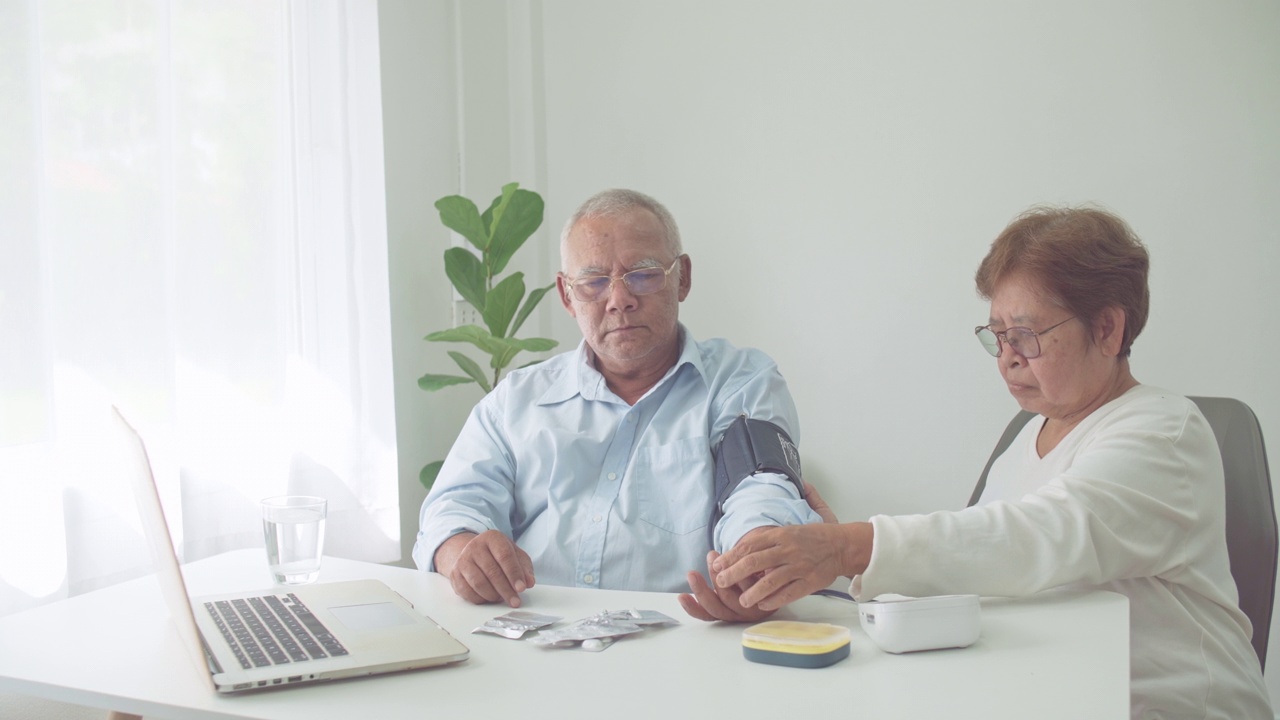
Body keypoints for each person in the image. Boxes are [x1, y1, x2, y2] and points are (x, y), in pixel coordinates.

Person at [696, 206, 1273, 719]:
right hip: (1051, 697)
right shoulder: (1026, 439)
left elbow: (1032, 539)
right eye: (996, 336)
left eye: (1025, 335)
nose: (1007, 360)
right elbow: (975, 570)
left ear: (1107, 327)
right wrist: (797, 584)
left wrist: (848, 547)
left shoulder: (1164, 430)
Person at [413, 188, 822, 613]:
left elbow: (760, 491)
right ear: (567, 295)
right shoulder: (516, 401)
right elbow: (453, 505)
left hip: (684, 637)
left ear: (681, 277)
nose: (619, 300)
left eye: (643, 274)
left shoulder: (740, 383)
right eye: (592, 282)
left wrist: (755, 565)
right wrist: (462, 552)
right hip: (536, 633)